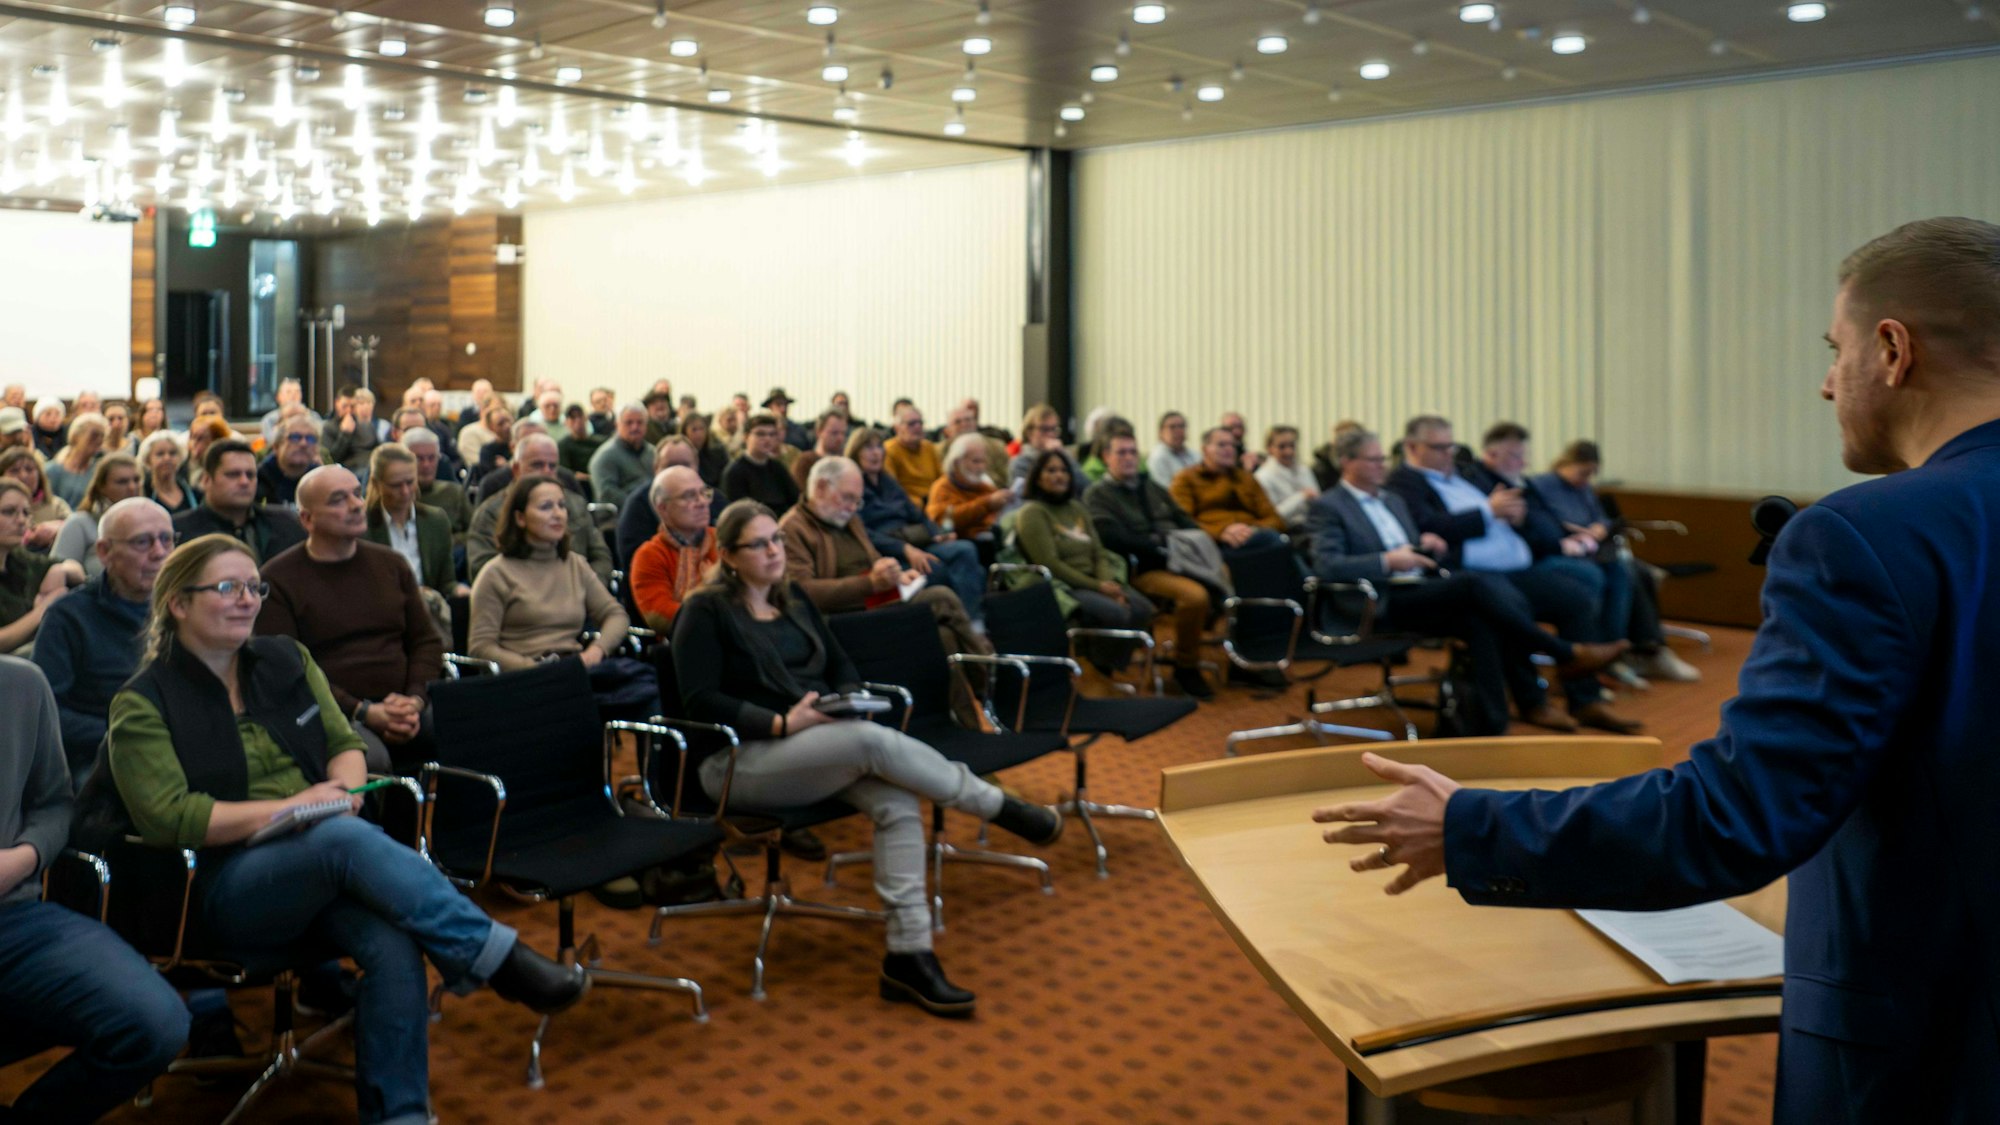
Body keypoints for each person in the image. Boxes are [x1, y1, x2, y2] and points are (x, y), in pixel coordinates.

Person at [1318, 216, 2000, 1125]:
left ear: (1892, 349)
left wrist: (1471, 825)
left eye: (1835, 349)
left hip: (1938, 1049)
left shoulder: (1863, 535)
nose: (1826, 381)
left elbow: (1735, 814)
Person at [104, 534, 587, 1123]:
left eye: (255, 587)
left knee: (390, 939)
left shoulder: (284, 659)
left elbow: (346, 745)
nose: (247, 600)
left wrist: (343, 792)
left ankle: (400, 1113)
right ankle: (497, 958)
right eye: (226, 588)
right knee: (338, 839)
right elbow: (171, 816)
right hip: (214, 888)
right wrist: (299, 808)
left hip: (324, 862)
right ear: (178, 604)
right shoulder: (143, 701)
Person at [671, 500, 1062, 1016]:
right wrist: (783, 723)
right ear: (730, 556)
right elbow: (699, 699)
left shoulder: (794, 599)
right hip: (737, 760)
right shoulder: (705, 610)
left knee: (897, 801)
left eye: (777, 540)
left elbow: (840, 664)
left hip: (816, 745)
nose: (773, 551)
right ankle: (995, 805)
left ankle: (909, 955)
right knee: (871, 743)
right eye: (760, 544)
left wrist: (847, 699)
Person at [1307, 429, 1626, 734]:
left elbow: (1410, 541)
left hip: (1419, 586)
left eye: (1382, 459)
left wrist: (1427, 542)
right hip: (1378, 598)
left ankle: (1491, 723)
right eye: (1373, 460)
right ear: (1347, 462)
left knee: (1482, 618)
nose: (1382, 466)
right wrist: (1386, 561)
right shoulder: (1329, 506)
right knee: (1475, 584)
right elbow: (1326, 565)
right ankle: (1564, 654)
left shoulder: (1391, 500)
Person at [0, 656, 189, 1123]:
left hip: (15, 916)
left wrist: (23, 857)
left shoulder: (22, 683)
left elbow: (54, 804)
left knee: (154, 1023)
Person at [259, 466, 444, 773]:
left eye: (357, 494)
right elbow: (289, 669)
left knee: (473, 730)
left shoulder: (392, 564)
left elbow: (425, 641)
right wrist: (362, 711)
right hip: (330, 710)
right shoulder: (277, 579)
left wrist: (415, 699)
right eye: (337, 500)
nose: (357, 505)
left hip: (406, 699)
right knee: (370, 757)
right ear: (307, 519)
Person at [780, 457, 992, 669]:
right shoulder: (793, 529)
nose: (853, 507)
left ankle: (974, 696)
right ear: (820, 487)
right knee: (942, 598)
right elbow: (802, 591)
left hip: (875, 601)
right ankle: (992, 673)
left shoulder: (848, 519)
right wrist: (870, 584)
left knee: (945, 637)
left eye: (857, 501)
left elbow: (873, 560)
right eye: (847, 498)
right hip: (844, 618)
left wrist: (897, 577)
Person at [1531, 440, 1702, 684]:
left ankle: (1620, 649)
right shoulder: (1542, 486)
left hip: (1591, 551)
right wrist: (1575, 531)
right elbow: (1544, 527)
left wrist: (1601, 526)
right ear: (1567, 464)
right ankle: (1638, 648)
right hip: (1564, 553)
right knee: (1626, 572)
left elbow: (1600, 517)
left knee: (1631, 571)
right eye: (1583, 472)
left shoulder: (1582, 488)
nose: (1586, 479)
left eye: (1591, 474)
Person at [33, 497, 172, 787]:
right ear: (105, 552)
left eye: (167, 539)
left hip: (182, 741)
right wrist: (123, 733)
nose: (160, 552)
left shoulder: (189, 606)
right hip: (104, 752)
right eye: (142, 542)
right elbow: (46, 711)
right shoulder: (69, 617)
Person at [1084, 431, 1215, 699]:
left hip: (1179, 558)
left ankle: (1242, 661)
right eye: (1121, 452)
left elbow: (1184, 519)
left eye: (1133, 452)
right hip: (1141, 569)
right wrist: (1159, 547)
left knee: (1225, 574)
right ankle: (1186, 666)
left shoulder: (1151, 487)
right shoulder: (1098, 494)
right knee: (1195, 597)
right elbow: (1113, 538)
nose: (1129, 458)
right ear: (1106, 457)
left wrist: (1199, 542)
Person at [1014, 448, 1158, 672]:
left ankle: (1111, 668)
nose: (1059, 475)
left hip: (1095, 580)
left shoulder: (1077, 508)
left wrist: (1109, 584)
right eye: (1051, 470)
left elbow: (1098, 552)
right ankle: (1094, 670)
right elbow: (1050, 564)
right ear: (1037, 477)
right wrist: (1099, 587)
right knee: (1116, 613)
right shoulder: (1032, 513)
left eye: (1064, 470)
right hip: (1064, 584)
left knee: (1142, 609)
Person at [468, 474, 629, 674]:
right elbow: (481, 647)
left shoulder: (574, 564)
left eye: (562, 505)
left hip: (575, 668)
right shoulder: (496, 573)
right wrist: (533, 669)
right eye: (546, 507)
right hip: (525, 677)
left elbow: (615, 615)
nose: (558, 514)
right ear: (520, 518)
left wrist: (596, 650)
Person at [849, 428, 986, 624]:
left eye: (879, 446)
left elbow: (917, 514)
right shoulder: (853, 485)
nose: (876, 452)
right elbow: (862, 532)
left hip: (916, 541)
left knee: (965, 550)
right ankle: (959, 625)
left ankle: (974, 624)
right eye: (868, 447)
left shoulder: (888, 482)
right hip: (887, 551)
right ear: (855, 453)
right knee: (943, 569)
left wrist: (936, 534)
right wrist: (905, 549)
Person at [466, 434, 612, 585]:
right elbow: (481, 569)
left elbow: (600, 555)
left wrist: (587, 588)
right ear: (516, 469)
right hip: (520, 601)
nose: (546, 472)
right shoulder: (491, 513)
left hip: (580, 594)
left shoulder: (575, 504)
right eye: (537, 465)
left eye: (552, 466)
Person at [362, 444, 461, 643]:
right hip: (383, 617)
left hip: (429, 614)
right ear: (377, 483)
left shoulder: (435, 520)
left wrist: (460, 591)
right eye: (396, 485)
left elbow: (446, 581)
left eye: (410, 482)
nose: (406, 491)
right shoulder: (363, 526)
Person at [171, 439, 307, 563]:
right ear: (206, 480)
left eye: (251, 475)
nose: (244, 482)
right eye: (233, 474)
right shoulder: (179, 531)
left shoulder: (286, 523)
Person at [1169, 426, 1285, 557]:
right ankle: (1307, 577)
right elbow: (1183, 522)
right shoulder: (1186, 479)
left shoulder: (1246, 478)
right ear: (1204, 450)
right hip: (1213, 543)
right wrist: (1220, 533)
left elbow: (1275, 519)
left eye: (1232, 445)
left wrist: (1251, 529)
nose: (1229, 449)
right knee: (1275, 544)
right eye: (1221, 445)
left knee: (1276, 541)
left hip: (1254, 534)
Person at [0, 478, 85, 654]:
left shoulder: (18, 558)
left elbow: (76, 570)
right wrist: (44, 609)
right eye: (9, 512)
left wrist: (61, 570)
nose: (21, 520)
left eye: (25, 513)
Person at [630, 466, 717, 633]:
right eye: (689, 496)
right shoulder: (649, 556)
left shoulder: (724, 541)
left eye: (704, 492)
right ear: (663, 508)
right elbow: (660, 617)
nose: (703, 502)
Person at [615, 439, 701, 577]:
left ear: (697, 465)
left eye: (685, 465)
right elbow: (635, 564)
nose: (678, 471)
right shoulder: (638, 505)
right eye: (670, 466)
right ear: (656, 468)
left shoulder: (713, 499)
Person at [53, 452, 143, 579]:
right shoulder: (79, 524)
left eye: (136, 480)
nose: (132, 487)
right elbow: (57, 574)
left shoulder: (153, 523)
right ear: (101, 487)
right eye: (122, 482)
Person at [927, 432, 1013, 557]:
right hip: (961, 546)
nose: (981, 467)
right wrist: (987, 504)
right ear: (957, 462)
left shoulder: (983, 485)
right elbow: (943, 520)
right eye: (976, 461)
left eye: (983, 462)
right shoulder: (942, 488)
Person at [402, 427, 472, 547]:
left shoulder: (454, 492)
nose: (426, 465)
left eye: (432, 458)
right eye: (419, 458)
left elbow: (474, 532)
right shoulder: (396, 495)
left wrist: (449, 542)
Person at [721, 413, 802, 512]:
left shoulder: (778, 468)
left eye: (772, 434)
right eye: (760, 434)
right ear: (746, 437)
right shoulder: (734, 472)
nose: (768, 439)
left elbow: (795, 500)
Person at [1253, 424, 1320, 532]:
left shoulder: (1304, 470)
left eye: (1292, 446)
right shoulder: (1262, 477)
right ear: (1269, 448)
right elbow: (1272, 516)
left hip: (1312, 526)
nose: (1289, 451)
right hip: (1285, 531)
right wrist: (1301, 497)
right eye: (1282, 447)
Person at [1, 447, 69, 551]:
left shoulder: (57, 505)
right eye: (14, 470)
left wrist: (58, 528)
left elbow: (74, 529)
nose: (23, 475)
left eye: (29, 469)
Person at [588, 403, 654, 510]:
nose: (635, 427)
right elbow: (607, 494)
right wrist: (640, 506)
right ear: (617, 425)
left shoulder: (653, 453)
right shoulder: (604, 456)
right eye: (629, 423)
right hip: (619, 517)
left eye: (640, 422)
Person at [44, 412, 108, 507]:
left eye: (102, 436)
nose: (99, 440)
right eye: (94, 435)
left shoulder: (99, 472)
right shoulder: (52, 471)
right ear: (75, 436)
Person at [883, 406, 943, 506]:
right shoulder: (888, 450)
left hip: (934, 503)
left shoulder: (930, 448)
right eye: (911, 424)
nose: (918, 427)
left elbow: (942, 480)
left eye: (920, 423)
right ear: (897, 428)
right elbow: (892, 491)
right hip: (907, 507)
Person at [260, 413, 323, 507]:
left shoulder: (319, 477)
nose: (303, 444)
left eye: (310, 438)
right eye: (295, 437)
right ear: (276, 447)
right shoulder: (260, 477)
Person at [323, 387, 388, 473]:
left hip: (371, 467)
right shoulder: (329, 427)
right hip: (349, 470)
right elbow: (331, 459)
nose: (349, 411)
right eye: (345, 406)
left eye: (352, 406)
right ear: (337, 403)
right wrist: (345, 434)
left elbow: (378, 448)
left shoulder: (366, 425)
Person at [789, 408, 850, 491]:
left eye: (843, 433)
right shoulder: (805, 463)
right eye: (834, 433)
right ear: (819, 432)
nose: (840, 438)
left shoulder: (847, 464)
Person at [139, 430, 198, 515]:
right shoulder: (142, 494)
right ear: (148, 460)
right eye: (160, 454)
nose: (167, 458)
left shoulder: (195, 494)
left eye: (172, 453)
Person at [259, 378, 321, 446]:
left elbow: (320, 440)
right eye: (289, 392)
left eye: (297, 392)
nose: (293, 395)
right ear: (279, 397)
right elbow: (272, 442)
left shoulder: (313, 416)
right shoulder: (269, 420)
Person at [183, 415, 235, 494]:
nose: (193, 443)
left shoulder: (231, 468)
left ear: (216, 441)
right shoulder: (183, 468)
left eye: (200, 438)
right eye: (192, 437)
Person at [457, 398, 511, 471]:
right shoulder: (471, 433)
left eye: (508, 421)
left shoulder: (515, 441)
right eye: (500, 424)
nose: (507, 426)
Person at [558, 403, 605, 485]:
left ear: (586, 418)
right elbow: (566, 474)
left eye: (580, 416)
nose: (577, 420)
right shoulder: (563, 445)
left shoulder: (601, 442)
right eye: (572, 417)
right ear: (566, 422)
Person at [681, 411, 727, 491]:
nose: (699, 433)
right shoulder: (680, 457)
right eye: (694, 430)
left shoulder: (718, 453)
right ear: (685, 432)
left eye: (702, 429)